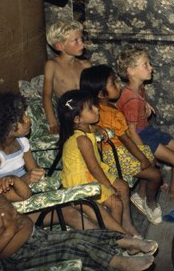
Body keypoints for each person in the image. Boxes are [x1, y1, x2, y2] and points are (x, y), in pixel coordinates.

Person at [0, 144, 156, 270]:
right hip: (21, 256)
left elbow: (25, 195)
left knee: (80, 236)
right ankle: (121, 263)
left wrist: (15, 180)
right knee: (73, 245)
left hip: (37, 237)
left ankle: (124, 241)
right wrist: (8, 232)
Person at [0, 92, 95, 230]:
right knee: (71, 213)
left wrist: (38, 174)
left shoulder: (21, 142)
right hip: (18, 209)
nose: (28, 119)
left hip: (30, 194)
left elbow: (34, 169)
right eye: (22, 117)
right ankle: (113, 242)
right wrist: (23, 180)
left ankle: (111, 236)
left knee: (79, 200)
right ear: (6, 126)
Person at [80, 64, 163, 224]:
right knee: (155, 175)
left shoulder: (103, 108)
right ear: (100, 93)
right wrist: (141, 158)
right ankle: (151, 203)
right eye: (113, 83)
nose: (119, 85)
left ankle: (140, 195)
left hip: (121, 149)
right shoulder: (109, 113)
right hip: (116, 154)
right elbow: (125, 139)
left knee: (152, 160)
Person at [57, 89, 142, 237]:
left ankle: (127, 224)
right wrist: (108, 186)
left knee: (122, 186)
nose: (97, 109)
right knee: (116, 202)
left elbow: (92, 128)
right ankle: (117, 238)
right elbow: (94, 168)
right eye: (90, 108)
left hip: (89, 174)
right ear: (77, 119)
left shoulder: (85, 128)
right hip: (81, 181)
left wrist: (99, 128)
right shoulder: (81, 139)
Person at [115, 44, 174, 199]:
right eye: (145, 65)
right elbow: (131, 130)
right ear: (131, 71)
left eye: (149, 64)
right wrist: (144, 154)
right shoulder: (131, 99)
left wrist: (145, 105)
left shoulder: (138, 87)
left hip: (147, 130)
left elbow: (136, 104)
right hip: (141, 137)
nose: (151, 68)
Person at [43, 20, 92, 134]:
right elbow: (46, 96)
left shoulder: (85, 65)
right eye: (76, 41)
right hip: (69, 114)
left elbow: (92, 94)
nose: (82, 44)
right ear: (60, 46)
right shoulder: (52, 65)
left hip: (87, 112)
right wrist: (53, 123)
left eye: (81, 39)